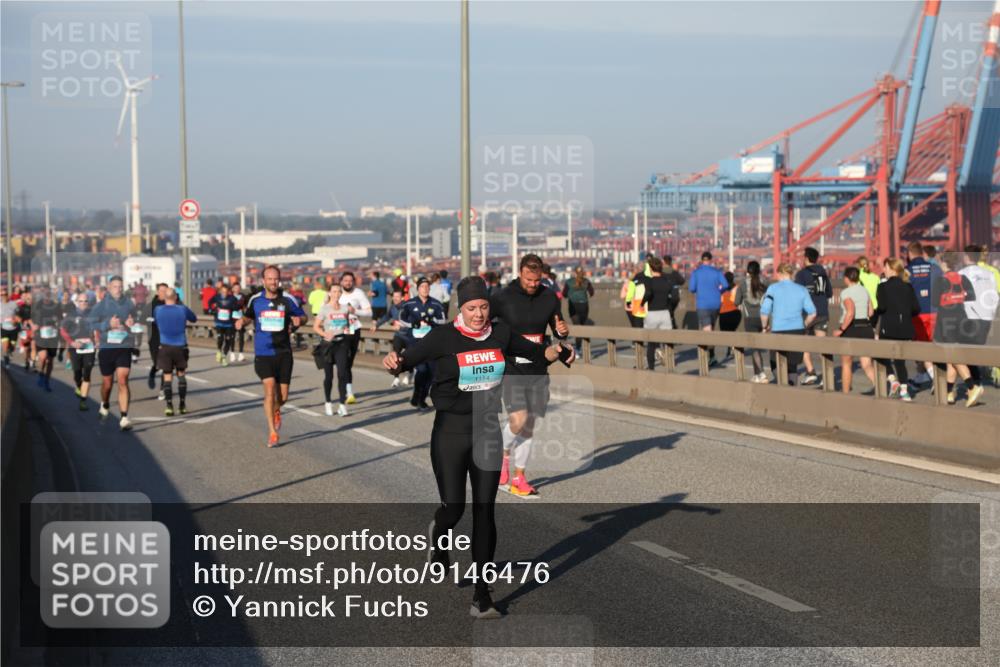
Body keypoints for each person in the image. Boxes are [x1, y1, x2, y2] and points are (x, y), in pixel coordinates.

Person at [381, 275, 573, 619]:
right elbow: (405, 359)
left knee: (485, 511)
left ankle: (482, 595)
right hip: (450, 433)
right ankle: (439, 534)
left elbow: (536, 353)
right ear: (461, 308)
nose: (479, 314)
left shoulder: (500, 334)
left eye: (484, 306)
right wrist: (393, 360)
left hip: (487, 430)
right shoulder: (443, 337)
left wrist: (558, 350)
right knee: (453, 509)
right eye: (472, 308)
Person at [490, 253, 571, 497]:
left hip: (538, 368)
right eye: (528, 279)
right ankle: (501, 456)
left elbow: (558, 329)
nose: (533, 284)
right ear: (520, 273)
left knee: (529, 425)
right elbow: (482, 323)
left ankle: (519, 477)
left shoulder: (549, 297)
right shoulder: (502, 297)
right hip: (512, 367)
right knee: (518, 419)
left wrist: (562, 332)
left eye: (537, 280)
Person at [235, 265, 305, 448]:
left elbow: (303, 317)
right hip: (263, 353)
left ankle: (277, 410)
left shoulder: (288, 299)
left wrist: (299, 320)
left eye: (276, 279)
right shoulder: (255, 300)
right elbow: (248, 316)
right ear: (263, 281)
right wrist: (242, 321)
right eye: (270, 279)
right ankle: (272, 432)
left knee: (283, 397)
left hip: (283, 353)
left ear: (279, 280)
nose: (273, 282)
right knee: (269, 389)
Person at [932, 254, 984, 407]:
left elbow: (934, 302)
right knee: (951, 359)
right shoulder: (963, 278)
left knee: (953, 356)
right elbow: (971, 296)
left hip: (946, 320)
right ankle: (949, 393)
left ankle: (972, 387)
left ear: (944, 263)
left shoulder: (940, 280)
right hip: (962, 318)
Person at [90, 275, 140, 430]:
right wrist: (107, 324)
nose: (118, 289)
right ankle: (105, 403)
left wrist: (132, 322)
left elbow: (135, 318)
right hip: (107, 347)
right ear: (109, 288)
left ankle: (124, 418)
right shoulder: (101, 305)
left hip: (124, 346)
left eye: (120, 287)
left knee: (123, 380)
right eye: (115, 287)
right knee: (107, 383)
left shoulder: (129, 303)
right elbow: (91, 323)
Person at [760, 263, 816, 386]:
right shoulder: (802, 289)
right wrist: (804, 324)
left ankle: (783, 385)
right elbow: (812, 313)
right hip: (797, 330)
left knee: (775, 363)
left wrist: (764, 327)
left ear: (779, 274)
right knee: (792, 366)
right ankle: (791, 390)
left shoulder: (773, 288)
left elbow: (764, 311)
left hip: (778, 331)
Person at [873, 258, 920, 401]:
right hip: (905, 328)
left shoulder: (883, 287)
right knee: (900, 361)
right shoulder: (908, 286)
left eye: (885, 267)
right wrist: (904, 314)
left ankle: (893, 380)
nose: (884, 270)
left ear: (892, 269)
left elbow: (882, 307)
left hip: (888, 328)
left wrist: (874, 318)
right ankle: (904, 392)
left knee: (879, 354)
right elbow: (916, 309)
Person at [398, 277, 448, 409]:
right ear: (417, 289)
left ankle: (421, 398)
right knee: (421, 370)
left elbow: (443, 320)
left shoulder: (436, 304)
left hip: (431, 343)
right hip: (415, 342)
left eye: (427, 286)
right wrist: (413, 323)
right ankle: (417, 396)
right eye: (422, 286)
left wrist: (432, 321)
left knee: (431, 372)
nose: (425, 289)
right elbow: (401, 319)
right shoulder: (409, 304)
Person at [959, 245, 999, 390]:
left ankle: (975, 384)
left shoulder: (961, 274)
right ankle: (977, 382)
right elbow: (994, 296)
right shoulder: (989, 274)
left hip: (970, 317)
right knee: (980, 350)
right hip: (988, 317)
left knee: (966, 352)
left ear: (967, 257)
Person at [153, 289, 197, 417]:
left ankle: (169, 406)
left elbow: (156, 322)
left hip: (165, 346)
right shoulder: (182, 309)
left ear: (164, 298)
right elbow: (194, 319)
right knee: (181, 374)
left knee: (167, 376)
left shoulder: (158, 310)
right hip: (180, 346)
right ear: (176, 297)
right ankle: (182, 405)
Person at [833, 267, 876, 394]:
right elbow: (871, 312)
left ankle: (846, 394)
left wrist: (841, 329)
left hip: (851, 328)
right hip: (866, 327)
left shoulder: (846, 293)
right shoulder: (865, 290)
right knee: (866, 364)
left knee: (847, 363)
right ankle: (882, 388)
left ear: (846, 278)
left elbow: (850, 312)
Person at [795, 247, 833, 385]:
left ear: (806, 258)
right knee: (823, 345)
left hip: (807, 314)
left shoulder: (801, 274)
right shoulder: (823, 273)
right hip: (822, 311)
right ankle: (827, 376)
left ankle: (811, 372)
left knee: (803, 343)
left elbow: (797, 294)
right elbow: (829, 293)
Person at [906, 241, 942, 387]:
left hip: (918, 315)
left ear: (910, 254)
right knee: (934, 347)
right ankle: (922, 376)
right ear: (921, 252)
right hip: (935, 312)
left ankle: (935, 379)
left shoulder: (907, 270)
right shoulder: (934, 268)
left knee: (920, 347)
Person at [314, 284, 353, 416]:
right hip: (328, 345)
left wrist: (349, 334)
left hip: (342, 344)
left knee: (342, 374)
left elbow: (348, 325)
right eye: (334, 291)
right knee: (329, 377)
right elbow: (316, 326)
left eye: (339, 292)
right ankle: (328, 402)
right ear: (329, 293)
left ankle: (342, 405)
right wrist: (325, 334)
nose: (336, 294)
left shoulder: (345, 308)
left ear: (341, 293)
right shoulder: (324, 308)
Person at [338, 271, 373, 404]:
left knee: (349, 361)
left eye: (350, 281)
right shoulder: (336, 293)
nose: (348, 283)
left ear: (353, 282)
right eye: (345, 280)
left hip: (353, 328)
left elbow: (369, 312)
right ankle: (348, 392)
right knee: (343, 361)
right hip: (338, 329)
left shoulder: (358, 293)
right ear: (341, 282)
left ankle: (347, 389)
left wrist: (355, 311)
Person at [688, 251, 728, 365]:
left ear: (702, 260)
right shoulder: (717, 272)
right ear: (711, 260)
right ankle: (711, 355)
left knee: (707, 329)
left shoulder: (696, 273)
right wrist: (719, 291)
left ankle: (708, 356)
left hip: (702, 304)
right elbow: (725, 285)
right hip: (715, 304)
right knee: (711, 328)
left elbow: (691, 288)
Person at [60, 292, 96, 410]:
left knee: (87, 372)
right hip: (75, 348)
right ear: (77, 302)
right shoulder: (71, 315)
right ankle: (79, 386)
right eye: (81, 301)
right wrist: (71, 342)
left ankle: (83, 401)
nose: (83, 303)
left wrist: (98, 340)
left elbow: (99, 329)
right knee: (77, 373)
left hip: (89, 347)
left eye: (85, 301)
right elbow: (63, 331)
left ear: (89, 302)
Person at [734, 260, 769, 383]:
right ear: (759, 271)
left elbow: (736, 302)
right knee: (759, 347)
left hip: (750, 319)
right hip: (764, 317)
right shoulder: (765, 282)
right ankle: (756, 374)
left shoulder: (743, 284)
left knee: (755, 348)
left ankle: (761, 373)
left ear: (747, 271)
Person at [640, 256, 675, 371]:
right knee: (668, 341)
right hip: (665, 313)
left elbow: (648, 293)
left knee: (651, 342)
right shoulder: (667, 281)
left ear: (651, 268)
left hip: (652, 314)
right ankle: (670, 367)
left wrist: (642, 303)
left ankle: (651, 368)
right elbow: (673, 297)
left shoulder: (649, 281)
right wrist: (670, 308)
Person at [371, 289, 410, 388]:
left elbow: (413, 322)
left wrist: (402, 326)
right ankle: (396, 378)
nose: (395, 298)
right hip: (399, 336)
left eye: (397, 296)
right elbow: (386, 317)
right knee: (395, 355)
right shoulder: (392, 308)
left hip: (409, 336)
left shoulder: (407, 307)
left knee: (409, 356)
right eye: (394, 296)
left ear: (402, 298)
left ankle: (408, 374)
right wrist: (376, 325)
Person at [31, 286, 63, 392]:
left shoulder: (56, 306)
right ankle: (41, 373)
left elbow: (61, 319)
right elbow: (30, 318)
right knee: (43, 357)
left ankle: (47, 380)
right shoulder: (37, 305)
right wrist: (33, 325)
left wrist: (58, 324)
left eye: (48, 293)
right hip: (40, 335)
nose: (47, 295)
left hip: (53, 336)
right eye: (45, 293)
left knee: (50, 360)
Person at [145, 283, 169, 392]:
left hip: (168, 339)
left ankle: (163, 389)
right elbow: (143, 318)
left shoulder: (171, 304)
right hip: (154, 338)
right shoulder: (151, 305)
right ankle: (153, 371)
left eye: (165, 291)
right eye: (162, 291)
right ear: (158, 291)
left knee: (166, 365)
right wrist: (151, 320)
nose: (163, 293)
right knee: (158, 364)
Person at [210, 283, 239, 365]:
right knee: (220, 338)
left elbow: (237, 307)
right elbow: (210, 302)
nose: (224, 294)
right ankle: (219, 351)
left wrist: (234, 308)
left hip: (229, 323)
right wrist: (211, 309)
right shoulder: (217, 297)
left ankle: (224, 356)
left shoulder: (233, 298)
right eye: (223, 292)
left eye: (226, 292)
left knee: (228, 340)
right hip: (219, 322)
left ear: (229, 292)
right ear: (220, 291)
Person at [718, 271, 742, 360]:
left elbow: (719, 300)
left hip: (723, 313)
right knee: (732, 331)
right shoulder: (737, 287)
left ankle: (730, 348)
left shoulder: (721, 287)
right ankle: (732, 348)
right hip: (736, 313)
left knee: (725, 333)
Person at [620, 261, 647, 328]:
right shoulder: (647, 281)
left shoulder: (628, 282)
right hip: (641, 307)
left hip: (630, 308)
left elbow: (622, 296)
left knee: (635, 326)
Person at [1, 285, 22, 368]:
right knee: (5, 346)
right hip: (4, 328)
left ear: (8, 295)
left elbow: (19, 315)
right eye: (2, 295)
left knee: (12, 347)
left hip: (13, 328)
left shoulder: (13, 304)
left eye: (5, 295)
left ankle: (10, 351)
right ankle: (6, 359)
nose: (3, 296)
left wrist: (16, 319)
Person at [231, 282, 248, 362]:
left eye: (238, 288)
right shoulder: (230, 297)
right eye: (235, 288)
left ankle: (241, 354)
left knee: (241, 336)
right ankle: (232, 353)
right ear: (232, 289)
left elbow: (246, 306)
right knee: (232, 336)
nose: (237, 289)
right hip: (232, 318)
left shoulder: (243, 297)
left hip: (240, 318)